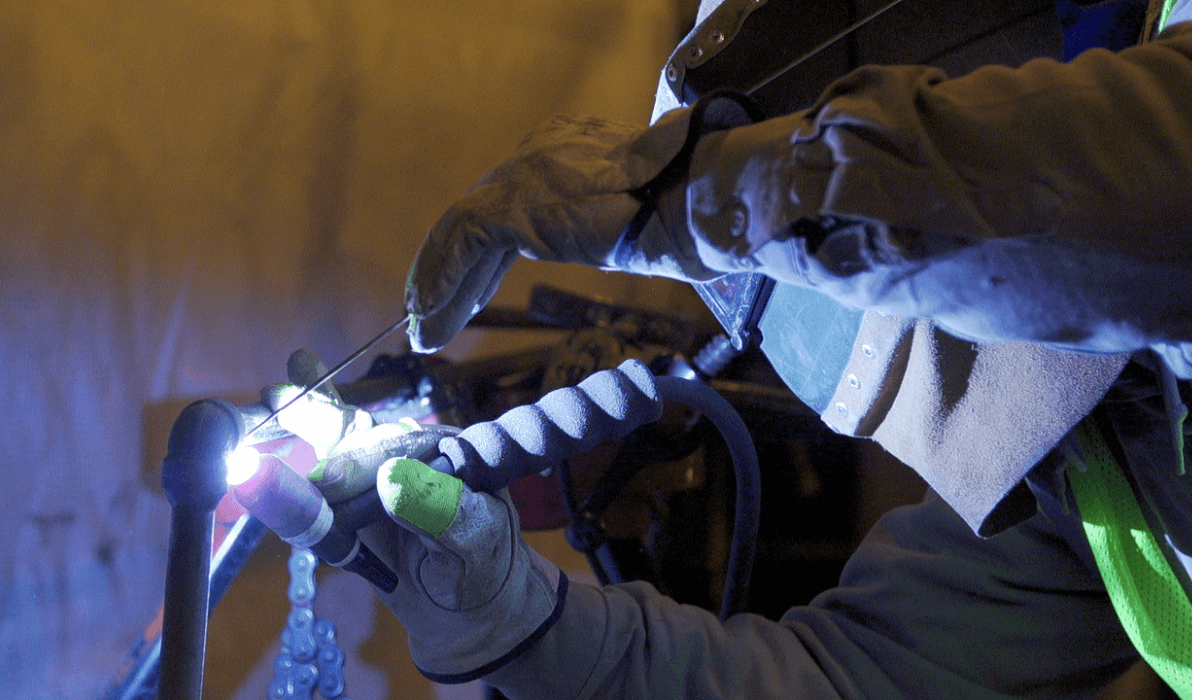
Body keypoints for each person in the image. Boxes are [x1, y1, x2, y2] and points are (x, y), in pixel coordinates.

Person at [282, 0, 1192, 697]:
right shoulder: (1097, 481)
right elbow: (845, 680)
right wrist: (515, 618)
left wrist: (701, 199)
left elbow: (1139, 183)